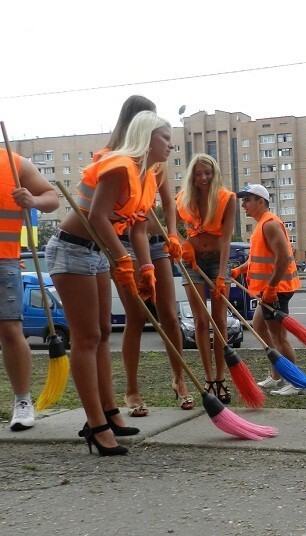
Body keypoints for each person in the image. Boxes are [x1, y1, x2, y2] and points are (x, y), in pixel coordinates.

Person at [46, 111, 174, 455]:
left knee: (103, 331)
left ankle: (110, 412)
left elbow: (136, 227)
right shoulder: (120, 166)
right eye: (165, 137)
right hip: (71, 250)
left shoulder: (145, 175)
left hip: (95, 252)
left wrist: (145, 265)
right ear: (147, 138)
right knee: (87, 338)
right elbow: (98, 218)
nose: (171, 145)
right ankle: (96, 425)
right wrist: (124, 260)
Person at [98, 96, 193, 417]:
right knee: (136, 316)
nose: (165, 139)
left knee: (168, 312)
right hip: (123, 244)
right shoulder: (115, 160)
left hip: (153, 242)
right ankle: (132, 390)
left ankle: (180, 380)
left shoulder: (157, 164)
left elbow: (168, 204)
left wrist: (173, 232)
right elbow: (105, 214)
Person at [0, 147, 59, 431]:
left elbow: (52, 199)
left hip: (4, 258)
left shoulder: (13, 162)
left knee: (11, 330)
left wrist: (32, 199)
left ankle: (23, 402)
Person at [175, 154, 236, 404]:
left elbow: (226, 238)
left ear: (215, 173)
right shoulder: (182, 199)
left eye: (208, 173)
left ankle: (221, 378)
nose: (203, 178)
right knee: (200, 321)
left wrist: (222, 275)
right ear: (192, 175)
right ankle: (209, 379)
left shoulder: (226, 198)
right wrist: (181, 244)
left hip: (218, 262)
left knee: (220, 320)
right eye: (198, 173)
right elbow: (167, 226)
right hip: (192, 263)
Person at [233, 184, 302, 396]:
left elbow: (282, 258)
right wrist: (239, 270)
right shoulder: (261, 224)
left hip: (276, 289)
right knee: (259, 328)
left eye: (247, 199)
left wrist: (271, 288)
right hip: (268, 290)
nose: (243, 204)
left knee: (279, 337)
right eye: (242, 200)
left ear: (260, 201)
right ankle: (276, 376)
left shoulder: (270, 224)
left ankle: (296, 382)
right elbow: (259, 259)